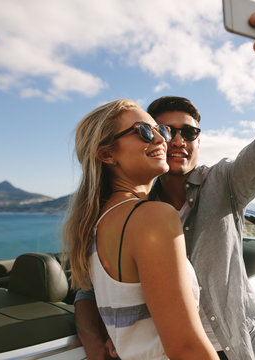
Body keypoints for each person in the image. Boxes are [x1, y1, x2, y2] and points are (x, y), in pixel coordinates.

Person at [75, 1, 255, 359]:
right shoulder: (129, 211)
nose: (174, 140)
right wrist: (98, 344)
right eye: (162, 130)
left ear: (199, 140)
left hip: (238, 341)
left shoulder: (224, 183)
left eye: (190, 132)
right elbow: (88, 291)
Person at [64, 99, 219, 360]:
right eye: (144, 131)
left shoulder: (97, 224)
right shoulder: (152, 217)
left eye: (161, 130)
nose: (162, 139)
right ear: (106, 154)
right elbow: (187, 349)